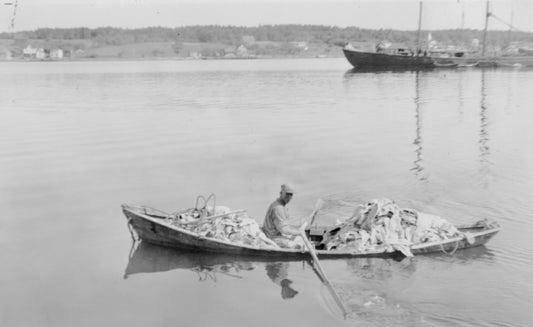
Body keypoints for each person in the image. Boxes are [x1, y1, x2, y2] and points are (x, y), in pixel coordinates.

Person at [262, 184, 306, 249]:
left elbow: (285, 226)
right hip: (273, 238)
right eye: (287, 194)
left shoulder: (281, 205)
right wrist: (299, 232)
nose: (289, 197)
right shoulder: (278, 208)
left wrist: (296, 232)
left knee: (299, 240)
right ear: (281, 193)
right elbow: (284, 230)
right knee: (298, 246)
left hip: (276, 235)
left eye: (291, 194)